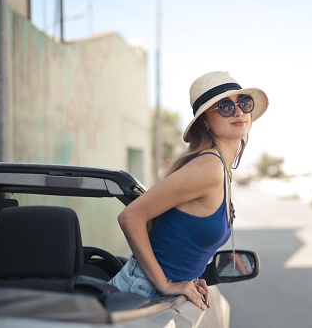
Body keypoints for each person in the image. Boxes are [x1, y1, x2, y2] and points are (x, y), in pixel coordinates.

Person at [109, 71, 269, 310]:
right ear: (205, 120)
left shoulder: (220, 168)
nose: (238, 112)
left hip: (156, 294)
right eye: (225, 107)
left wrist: (191, 277)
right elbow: (130, 216)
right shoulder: (208, 168)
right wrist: (164, 283)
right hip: (141, 292)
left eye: (244, 103)